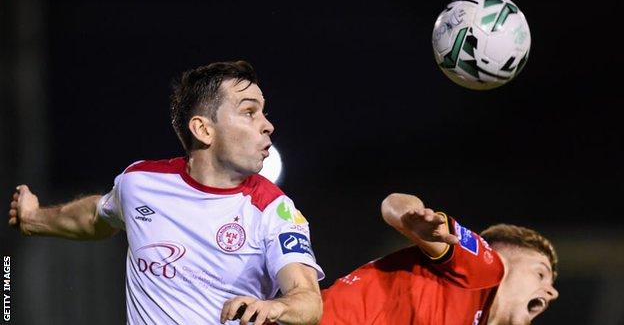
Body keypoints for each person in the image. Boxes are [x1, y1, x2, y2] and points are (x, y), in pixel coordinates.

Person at [8, 61, 324, 325]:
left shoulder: (274, 209)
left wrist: (274, 307)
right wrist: (34, 218)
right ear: (203, 130)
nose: (267, 125)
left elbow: (308, 298)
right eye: (250, 112)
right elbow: (94, 216)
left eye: (264, 112)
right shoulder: (140, 184)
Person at [321, 193, 559, 325]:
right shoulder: (485, 269)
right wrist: (409, 217)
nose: (552, 293)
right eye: (540, 273)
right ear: (501, 258)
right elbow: (394, 203)